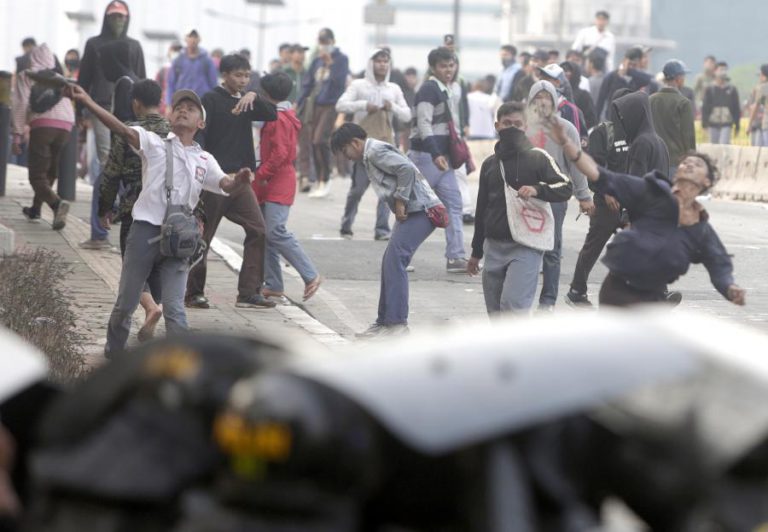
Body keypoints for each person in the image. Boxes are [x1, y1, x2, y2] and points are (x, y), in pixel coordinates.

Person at [67, 82, 258, 355]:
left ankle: (179, 366)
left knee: (176, 308)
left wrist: (240, 180)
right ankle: (114, 355)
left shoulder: (205, 159)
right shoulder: (153, 142)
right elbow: (121, 129)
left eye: (190, 109)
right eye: (178, 107)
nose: (183, 111)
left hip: (180, 239)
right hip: (145, 231)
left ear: (201, 123)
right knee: (126, 302)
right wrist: (87, 100)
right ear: (169, 117)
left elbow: (226, 185)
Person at [546, 115, 746, 309]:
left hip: (654, 298)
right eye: (686, 162)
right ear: (677, 173)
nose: (690, 164)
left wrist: (730, 288)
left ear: (707, 182)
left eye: (698, 164)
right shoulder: (651, 192)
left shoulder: (700, 227)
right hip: (618, 291)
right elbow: (601, 175)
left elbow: (718, 262)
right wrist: (567, 143)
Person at [331, 123, 445, 337]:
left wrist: (400, 201)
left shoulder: (374, 152)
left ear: (355, 143)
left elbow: (406, 169)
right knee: (389, 262)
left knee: (395, 261)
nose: (346, 157)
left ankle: (397, 324)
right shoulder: (370, 153)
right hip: (413, 211)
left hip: (421, 209)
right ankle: (384, 322)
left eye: (344, 150)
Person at [185, 54, 278, 310]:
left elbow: (272, 114)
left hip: (241, 179)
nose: (243, 80)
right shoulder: (210, 100)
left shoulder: (248, 101)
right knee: (204, 237)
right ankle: (193, 293)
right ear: (224, 75)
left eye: (247, 75)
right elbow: (200, 137)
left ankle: (248, 292)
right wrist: (201, 169)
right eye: (238, 75)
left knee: (258, 229)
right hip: (216, 179)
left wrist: (254, 96)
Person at [468, 102, 573, 314]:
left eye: (518, 124)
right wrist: (476, 252)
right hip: (493, 247)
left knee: (513, 309)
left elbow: (565, 187)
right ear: (497, 126)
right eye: (507, 124)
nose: (512, 129)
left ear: (526, 127)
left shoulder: (539, 158)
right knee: (495, 313)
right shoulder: (490, 164)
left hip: (526, 246)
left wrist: (537, 189)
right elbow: (481, 209)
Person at [97, 79, 168, 341]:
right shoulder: (172, 132)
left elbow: (111, 174)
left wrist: (104, 209)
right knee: (157, 268)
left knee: (132, 273)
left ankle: (148, 309)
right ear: (160, 102)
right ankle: (156, 306)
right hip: (167, 215)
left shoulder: (130, 131)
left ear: (135, 103)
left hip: (134, 211)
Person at [77, 0, 145, 250]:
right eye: (113, 16)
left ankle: (107, 220)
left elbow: (143, 82)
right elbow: (84, 79)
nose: (118, 21)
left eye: (122, 17)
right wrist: (80, 112)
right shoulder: (95, 44)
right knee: (108, 164)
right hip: (101, 108)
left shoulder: (133, 47)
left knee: (112, 171)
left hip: (128, 121)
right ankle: (106, 220)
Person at [252, 72, 322, 304]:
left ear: (266, 94)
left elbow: (281, 153)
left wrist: (261, 174)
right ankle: (273, 284)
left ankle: (310, 274)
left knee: (275, 231)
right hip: (272, 180)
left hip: (277, 180)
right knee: (266, 235)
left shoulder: (278, 118)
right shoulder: (282, 115)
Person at [526, 81, 593, 311]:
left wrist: (584, 196)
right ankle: (523, 299)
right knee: (525, 249)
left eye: (547, 96)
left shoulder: (566, 129)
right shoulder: (523, 127)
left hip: (555, 197)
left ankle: (547, 302)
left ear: (554, 101)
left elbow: (576, 164)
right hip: (526, 197)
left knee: (552, 251)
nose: (543, 100)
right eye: (538, 96)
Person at [565, 88, 632, 308]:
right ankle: (577, 290)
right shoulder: (602, 133)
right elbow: (592, 167)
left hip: (632, 202)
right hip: (608, 203)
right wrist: (606, 191)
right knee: (593, 247)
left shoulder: (639, 133)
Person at [335, 48, 411, 240]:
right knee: (357, 190)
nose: (382, 64)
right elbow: (340, 105)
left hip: (386, 147)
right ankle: (346, 224)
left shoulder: (393, 89)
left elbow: (407, 114)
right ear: (371, 63)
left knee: (386, 192)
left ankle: (382, 229)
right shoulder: (359, 85)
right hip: (362, 150)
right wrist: (362, 105)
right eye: (378, 61)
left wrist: (391, 106)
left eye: (386, 61)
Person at [408, 47, 469, 273]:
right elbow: (423, 124)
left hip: (443, 160)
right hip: (427, 157)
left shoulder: (447, 90)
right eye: (443, 66)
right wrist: (435, 154)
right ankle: (399, 256)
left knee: (454, 205)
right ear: (433, 68)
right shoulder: (428, 90)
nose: (449, 70)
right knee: (416, 206)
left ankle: (456, 257)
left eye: (451, 65)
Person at [11, 43, 74, 230]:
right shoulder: (59, 77)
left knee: (37, 175)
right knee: (50, 171)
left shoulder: (27, 75)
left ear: (33, 59)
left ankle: (56, 204)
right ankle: (35, 209)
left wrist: (17, 135)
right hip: (66, 126)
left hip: (43, 126)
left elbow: (20, 104)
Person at [297, 28, 350, 198]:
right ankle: (320, 181)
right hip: (316, 105)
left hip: (331, 104)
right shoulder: (316, 61)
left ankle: (326, 178)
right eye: (321, 42)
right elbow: (307, 83)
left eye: (326, 41)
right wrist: (297, 103)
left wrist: (331, 64)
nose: (324, 45)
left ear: (333, 41)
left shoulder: (341, 59)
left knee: (320, 140)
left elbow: (339, 82)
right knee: (313, 142)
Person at [650, 60, 696, 178]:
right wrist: (692, 160)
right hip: (675, 162)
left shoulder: (650, 100)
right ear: (678, 79)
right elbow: (688, 135)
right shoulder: (683, 103)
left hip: (653, 160)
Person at [166, 29, 218, 109]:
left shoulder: (207, 60)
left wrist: (214, 103)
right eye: (190, 36)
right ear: (186, 39)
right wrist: (169, 104)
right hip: (181, 101)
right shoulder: (178, 60)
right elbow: (171, 83)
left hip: (202, 102)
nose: (193, 40)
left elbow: (213, 83)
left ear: (199, 39)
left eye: (195, 37)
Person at [595, 46, 644, 122]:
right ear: (624, 60)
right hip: (612, 119)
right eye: (630, 64)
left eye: (634, 65)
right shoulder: (611, 77)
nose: (631, 67)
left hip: (631, 121)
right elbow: (600, 102)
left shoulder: (638, 80)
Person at [701, 63, 740, 145]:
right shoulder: (710, 89)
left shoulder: (732, 89)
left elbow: (736, 108)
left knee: (724, 145)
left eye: (725, 70)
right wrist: (704, 124)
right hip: (712, 123)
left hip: (727, 123)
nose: (723, 72)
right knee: (713, 147)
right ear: (715, 71)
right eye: (721, 70)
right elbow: (705, 107)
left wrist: (737, 124)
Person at [561, 61, 597, 130]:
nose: (566, 73)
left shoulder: (584, 95)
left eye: (569, 70)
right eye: (563, 71)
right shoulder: (554, 93)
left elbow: (591, 120)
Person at [155, 41, 182, 116]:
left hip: (181, 111)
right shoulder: (163, 71)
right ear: (169, 53)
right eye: (174, 50)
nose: (176, 53)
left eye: (178, 51)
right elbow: (156, 91)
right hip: (164, 111)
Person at [748, 64, 768, 147]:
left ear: (764, 76)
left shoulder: (763, 88)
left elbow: (756, 107)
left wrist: (749, 124)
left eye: (760, 75)